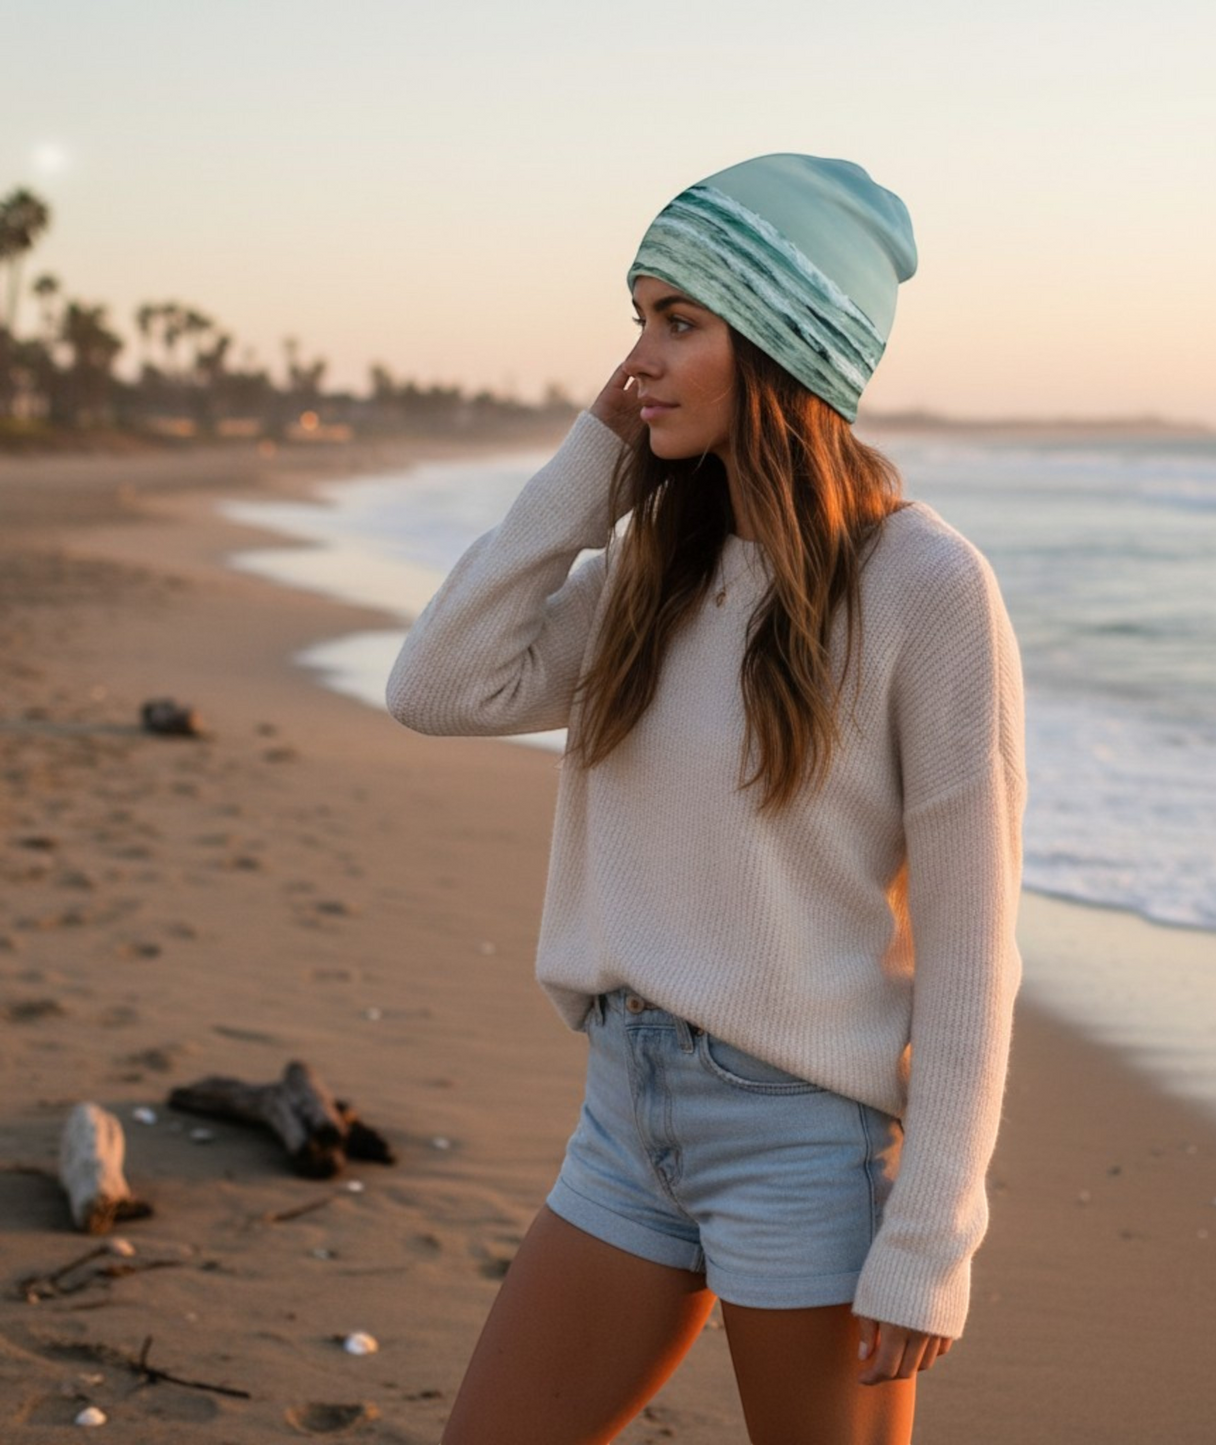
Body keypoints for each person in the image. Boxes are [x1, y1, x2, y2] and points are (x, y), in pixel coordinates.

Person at [387, 153, 1026, 1445]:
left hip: (804, 1147)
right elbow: (437, 683)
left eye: (681, 322)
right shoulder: (652, 565)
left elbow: (972, 947)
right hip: (626, 1117)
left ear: (786, 349)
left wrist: (932, 1239)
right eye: (637, 319)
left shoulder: (927, 586)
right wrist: (593, 459)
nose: (639, 362)